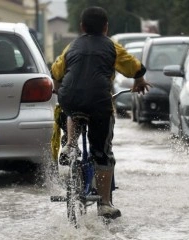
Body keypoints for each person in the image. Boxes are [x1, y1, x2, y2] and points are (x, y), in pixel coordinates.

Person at [51, 6, 151, 219]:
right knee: (102, 153)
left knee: (70, 108)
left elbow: (56, 71)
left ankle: (69, 145)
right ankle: (105, 203)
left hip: (70, 97)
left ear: (81, 27)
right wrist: (139, 80)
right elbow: (135, 67)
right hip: (98, 101)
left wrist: (59, 88)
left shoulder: (72, 46)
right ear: (106, 27)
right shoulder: (111, 47)